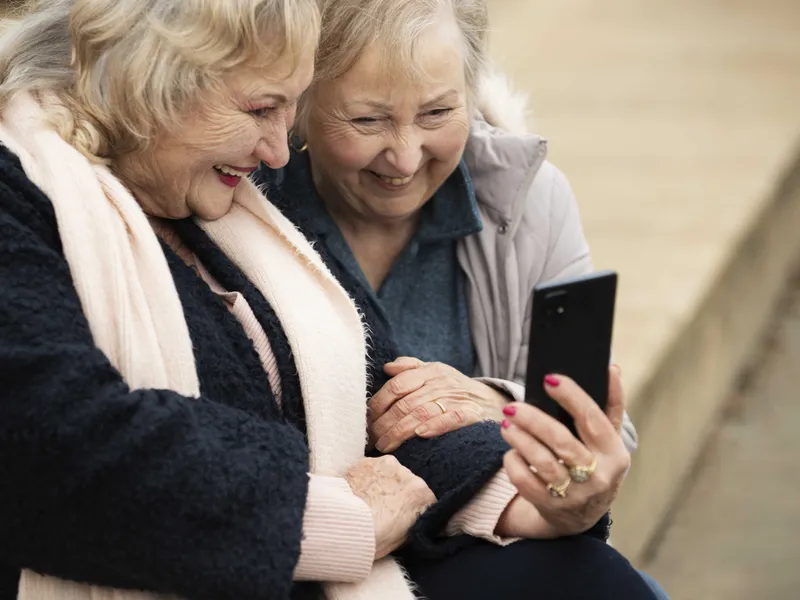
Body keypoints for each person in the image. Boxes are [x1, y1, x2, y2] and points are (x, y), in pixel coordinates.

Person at [0, 1, 657, 600]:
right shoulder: (29, 197)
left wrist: (528, 498)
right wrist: (330, 517)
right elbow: (52, 442)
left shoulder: (217, 197)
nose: (276, 149)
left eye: (436, 111)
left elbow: (378, 399)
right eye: (261, 109)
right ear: (155, 83)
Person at [256, 0, 668, 598]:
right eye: (368, 121)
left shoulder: (527, 200)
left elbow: (599, 429)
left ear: (471, 95)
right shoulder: (245, 206)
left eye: (438, 112)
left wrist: (493, 403)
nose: (404, 156)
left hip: (485, 533)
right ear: (301, 104)